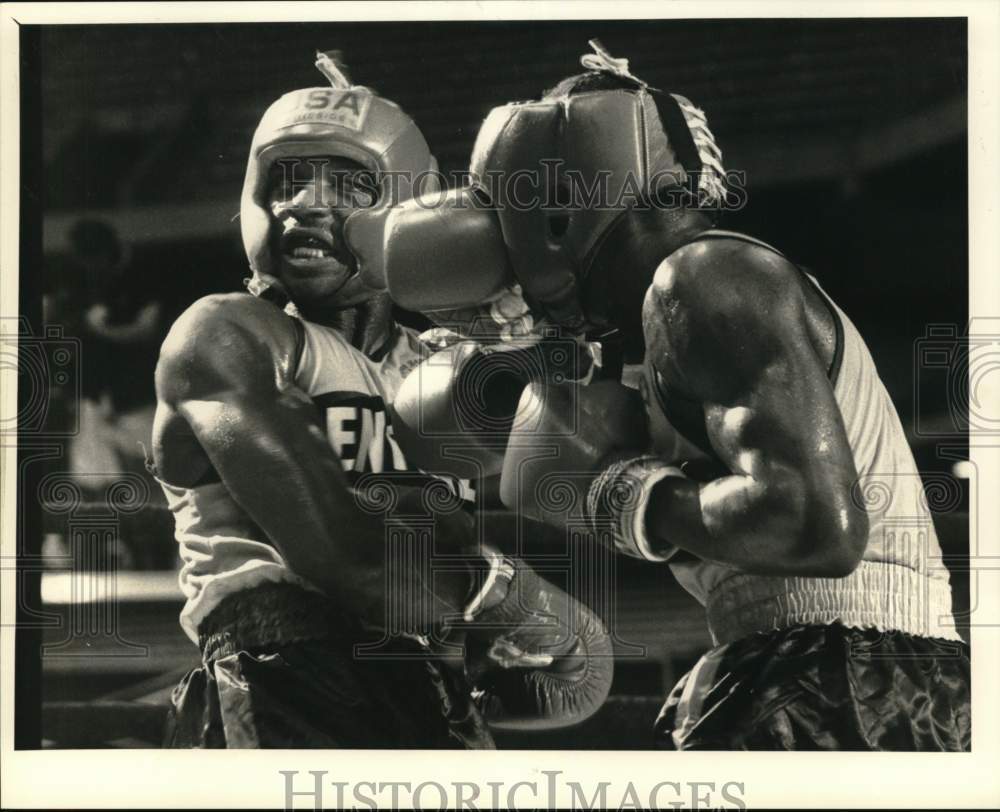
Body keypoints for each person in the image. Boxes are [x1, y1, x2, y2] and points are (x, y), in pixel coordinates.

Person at [386, 41, 970, 751]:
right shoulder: (667, 319)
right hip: (830, 668)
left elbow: (813, 525)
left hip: (843, 672)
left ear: (556, 206)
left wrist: (622, 495)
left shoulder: (705, 277)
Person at [150, 52, 612, 748]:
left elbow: (592, 455)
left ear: (408, 203)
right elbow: (351, 561)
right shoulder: (224, 332)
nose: (306, 204)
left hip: (428, 677)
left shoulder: (439, 368)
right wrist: (520, 602)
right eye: (288, 181)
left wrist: (545, 339)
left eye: (347, 184)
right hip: (282, 671)